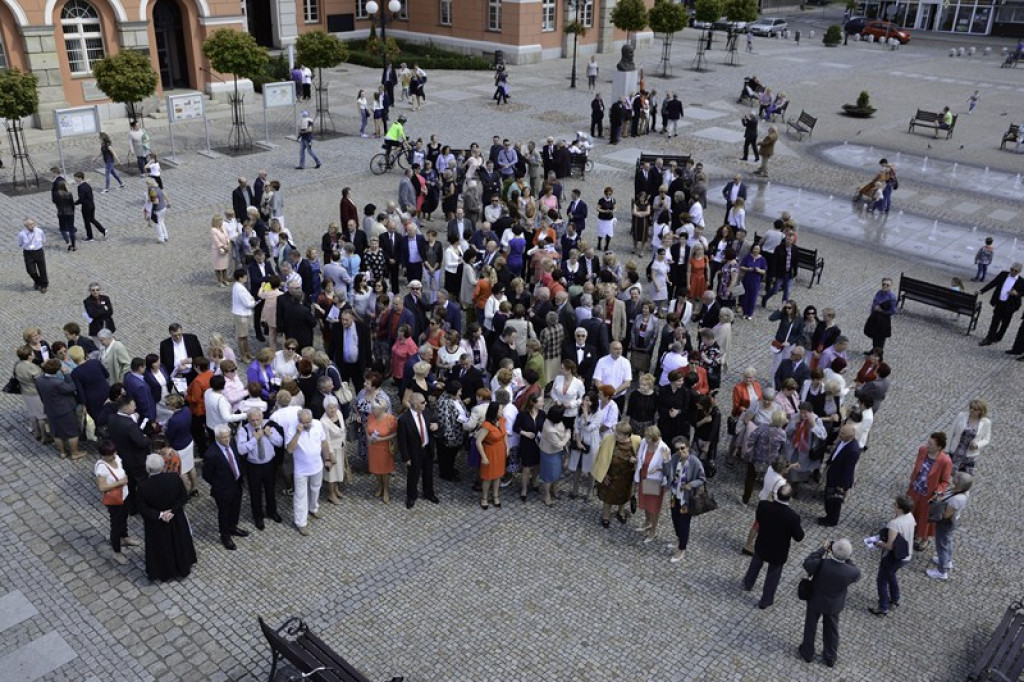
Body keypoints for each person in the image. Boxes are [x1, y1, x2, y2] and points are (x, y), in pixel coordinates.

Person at [135, 454, 196, 581]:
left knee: (162, 547)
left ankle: (165, 572)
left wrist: (160, 515)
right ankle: (182, 567)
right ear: (163, 467)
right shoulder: (174, 478)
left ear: (148, 469)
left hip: (157, 524)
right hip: (176, 518)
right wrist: (172, 511)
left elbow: (142, 508)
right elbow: (183, 497)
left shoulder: (143, 486)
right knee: (179, 544)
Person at [743, 483, 805, 608]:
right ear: (790, 498)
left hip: (762, 543)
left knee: (755, 565)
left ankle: (748, 583)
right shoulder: (793, 517)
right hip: (778, 551)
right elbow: (799, 537)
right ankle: (765, 600)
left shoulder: (764, 505)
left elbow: (759, 520)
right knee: (773, 576)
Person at [202, 424, 249, 550]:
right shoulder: (211, 454)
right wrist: (220, 485)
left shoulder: (232, 442)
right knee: (224, 514)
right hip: (223, 490)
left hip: (237, 483)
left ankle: (233, 527)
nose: (227, 439)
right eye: (223, 438)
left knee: (236, 509)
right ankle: (225, 536)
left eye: (228, 436)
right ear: (217, 437)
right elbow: (206, 475)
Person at [868, 494, 915, 616]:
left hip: (893, 557)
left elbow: (889, 545)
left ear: (900, 508)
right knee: (891, 575)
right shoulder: (910, 516)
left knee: (882, 580)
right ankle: (895, 599)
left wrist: (877, 542)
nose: (893, 506)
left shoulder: (894, 524)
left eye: (895, 504)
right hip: (906, 554)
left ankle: (883, 607)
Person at [906, 432, 953, 552]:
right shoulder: (922, 450)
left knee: (925, 518)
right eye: (928, 443)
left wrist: (938, 492)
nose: (928, 446)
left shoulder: (945, 461)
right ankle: (912, 532)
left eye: (931, 444)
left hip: (929, 495)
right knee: (911, 512)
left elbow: (945, 481)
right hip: (915, 489)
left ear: (939, 447)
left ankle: (925, 538)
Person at [663, 437, 706, 564]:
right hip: (674, 495)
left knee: (684, 523)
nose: (680, 451)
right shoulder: (675, 459)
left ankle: (682, 548)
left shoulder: (694, 462)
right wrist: (666, 461)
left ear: (688, 447)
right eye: (677, 449)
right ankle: (679, 539)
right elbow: (667, 473)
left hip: (686, 499)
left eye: (682, 448)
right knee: (675, 519)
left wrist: (691, 484)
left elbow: (702, 478)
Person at [94, 439, 137, 565]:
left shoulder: (116, 458)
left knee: (124, 518)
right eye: (110, 454)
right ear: (103, 455)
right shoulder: (102, 468)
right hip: (115, 500)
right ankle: (116, 552)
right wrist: (120, 483)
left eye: (114, 452)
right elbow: (102, 487)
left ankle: (125, 537)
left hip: (124, 495)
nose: (113, 455)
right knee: (116, 526)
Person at [397, 392, 440, 509]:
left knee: (428, 473)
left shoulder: (427, 412)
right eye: (422, 402)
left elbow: (434, 422)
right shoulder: (404, 420)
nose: (425, 403)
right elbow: (402, 441)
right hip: (414, 452)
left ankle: (429, 493)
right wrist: (406, 458)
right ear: (415, 405)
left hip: (427, 448)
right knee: (413, 475)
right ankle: (411, 496)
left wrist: (436, 426)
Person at [928, 471, 972, 581]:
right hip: (950, 522)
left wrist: (937, 501)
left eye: (956, 479)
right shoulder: (962, 492)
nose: (953, 479)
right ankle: (947, 561)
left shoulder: (957, 499)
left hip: (945, 523)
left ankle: (942, 571)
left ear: (959, 484)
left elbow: (947, 515)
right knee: (947, 541)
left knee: (942, 545)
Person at [35, 359, 83, 460]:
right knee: (72, 432)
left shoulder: (39, 380)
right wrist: (66, 374)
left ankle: (62, 453)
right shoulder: (57, 383)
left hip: (50, 409)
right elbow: (71, 387)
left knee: (56, 433)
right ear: (57, 370)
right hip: (65, 410)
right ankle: (75, 453)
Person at [818, 423, 861, 527]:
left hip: (838, 480)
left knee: (834, 502)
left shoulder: (852, 450)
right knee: (828, 498)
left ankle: (832, 520)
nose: (839, 434)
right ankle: (828, 516)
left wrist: (841, 486)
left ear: (850, 436)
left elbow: (848, 470)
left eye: (842, 433)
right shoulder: (843, 441)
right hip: (833, 473)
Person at [634, 425, 670, 545]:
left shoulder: (664, 448)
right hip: (644, 476)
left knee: (653, 507)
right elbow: (640, 455)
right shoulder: (645, 442)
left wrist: (658, 469)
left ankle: (653, 530)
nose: (646, 439)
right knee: (645, 502)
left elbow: (667, 469)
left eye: (648, 437)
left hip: (655, 480)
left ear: (654, 438)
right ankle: (647, 522)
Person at [978, 262, 1023, 347]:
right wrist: (982, 291)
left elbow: (1022, 292)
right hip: (999, 302)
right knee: (995, 321)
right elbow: (993, 283)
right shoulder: (1003, 274)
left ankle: (999, 337)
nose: (1013, 272)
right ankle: (989, 338)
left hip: (1010, 305)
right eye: (1011, 270)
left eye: (1015, 271)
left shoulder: (1021, 281)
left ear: (1019, 272)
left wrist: (1016, 293)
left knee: (1005, 323)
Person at [476, 401, 508, 508]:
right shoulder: (487, 425)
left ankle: (495, 495)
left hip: (500, 450)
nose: (502, 411)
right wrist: (484, 457)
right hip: (490, 451)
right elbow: (478, 441)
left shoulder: (502, 420)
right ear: (494, 411)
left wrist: (507, 447)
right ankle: (484, 497)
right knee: (488, 477)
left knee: (498, 475)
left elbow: (505, 434)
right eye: (500, 409)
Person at [948, 399, 991, 474]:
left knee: (964, 479)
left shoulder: (986, 422)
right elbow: (951, 432)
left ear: (980, 411)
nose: (972, 410)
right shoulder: (961, 416)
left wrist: (977, 445)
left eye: (975, 409)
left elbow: (987, 439)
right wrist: (946, 450)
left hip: (970, 455)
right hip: (956, 451)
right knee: (948, 473)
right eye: (971, 407)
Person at [17, 219, 48, 294]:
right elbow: (20, 243)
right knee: (30, 270)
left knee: (42, 269)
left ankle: (43, 285)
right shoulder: (22, 234)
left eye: (33, 224)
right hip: (28, 253)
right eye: (30, 225)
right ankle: (38, 281)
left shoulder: (39, 231)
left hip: (38, 251)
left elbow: (43, 240)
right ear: (26, 226)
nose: (32, 226)